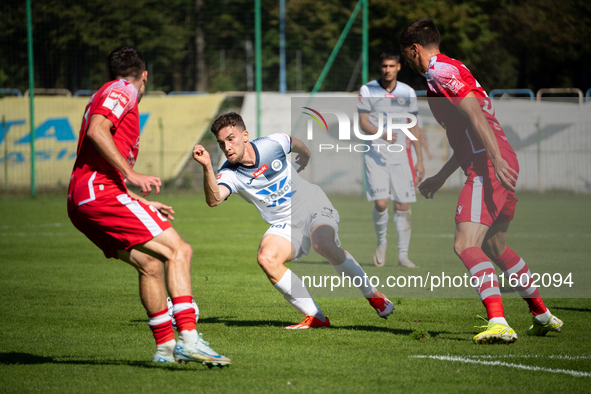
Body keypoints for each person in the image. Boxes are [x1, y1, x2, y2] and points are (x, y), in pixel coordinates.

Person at [399, 19, 563, 343]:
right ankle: (542, 315)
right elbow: (468, 131)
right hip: (495, 158)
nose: (407, 63)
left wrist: (495, 161)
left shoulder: (438, 71)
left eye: (406, 56)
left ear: (414, 49)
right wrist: (441, 177)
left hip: (488, 164)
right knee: (495, 246)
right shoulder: (452, 69)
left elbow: (474, 114)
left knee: (465, 244)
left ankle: (499, 322)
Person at [67, 46, 230, 365]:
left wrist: (138, 199)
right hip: (98, 193)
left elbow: (96, 151)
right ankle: (190, 339)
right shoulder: (123, 89)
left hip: (83, 198)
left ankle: (165, 350)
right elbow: (97, 131)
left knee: (150, 265)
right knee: (179, 251)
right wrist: (132, 174)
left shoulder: (103, 92)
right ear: (144, 75)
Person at [193, 112, 394, 329]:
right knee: (266, 258)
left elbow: (293, 142)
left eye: (230, 139)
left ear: (245, 136)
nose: (227, 147)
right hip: (284, 223)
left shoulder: (272, 144)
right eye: (221, 143)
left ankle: (372, 294)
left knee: (322, 244)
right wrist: (207, 166)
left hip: (313, 205)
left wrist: (305, 155)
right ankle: (315, 316)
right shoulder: (230, 173)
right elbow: (214, 200)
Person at [358, 50, 426, 268]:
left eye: (391, 66)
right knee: (380, 203)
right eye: (384, 66)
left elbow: (413, 125)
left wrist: (420, 159)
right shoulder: (368, 89)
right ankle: (381, 242)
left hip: (401, 157)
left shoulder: (407, 92)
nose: (387, 70)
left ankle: (403, 256)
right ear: (381, 67)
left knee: (403, 205)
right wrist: (382, 133)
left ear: (398, 67)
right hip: (375, 155)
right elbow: (363, 123)